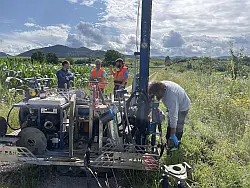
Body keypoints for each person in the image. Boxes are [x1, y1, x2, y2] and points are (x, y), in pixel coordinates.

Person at [148, 81, 191, 146]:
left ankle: (175, 142)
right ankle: (168, 141)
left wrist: (173, 134)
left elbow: (174, 117)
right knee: (170, 123)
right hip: (177, 100)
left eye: (155, 94)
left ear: (159, 92)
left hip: (183, 106)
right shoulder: (160, 86)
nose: (155, 96)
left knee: (178, 125)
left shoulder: (170, 98)